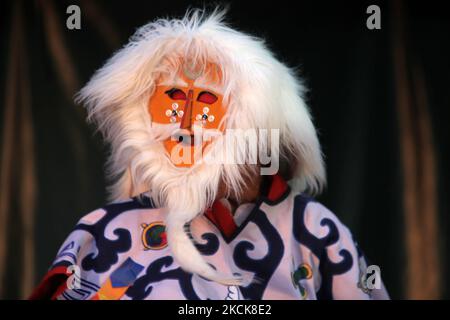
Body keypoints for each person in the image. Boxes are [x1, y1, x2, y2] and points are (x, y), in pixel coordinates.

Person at [30, 8, 389, 300]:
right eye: (172, 99)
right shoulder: (107, 231)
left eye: (207, 102)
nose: (186, 122)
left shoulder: (312, 230)